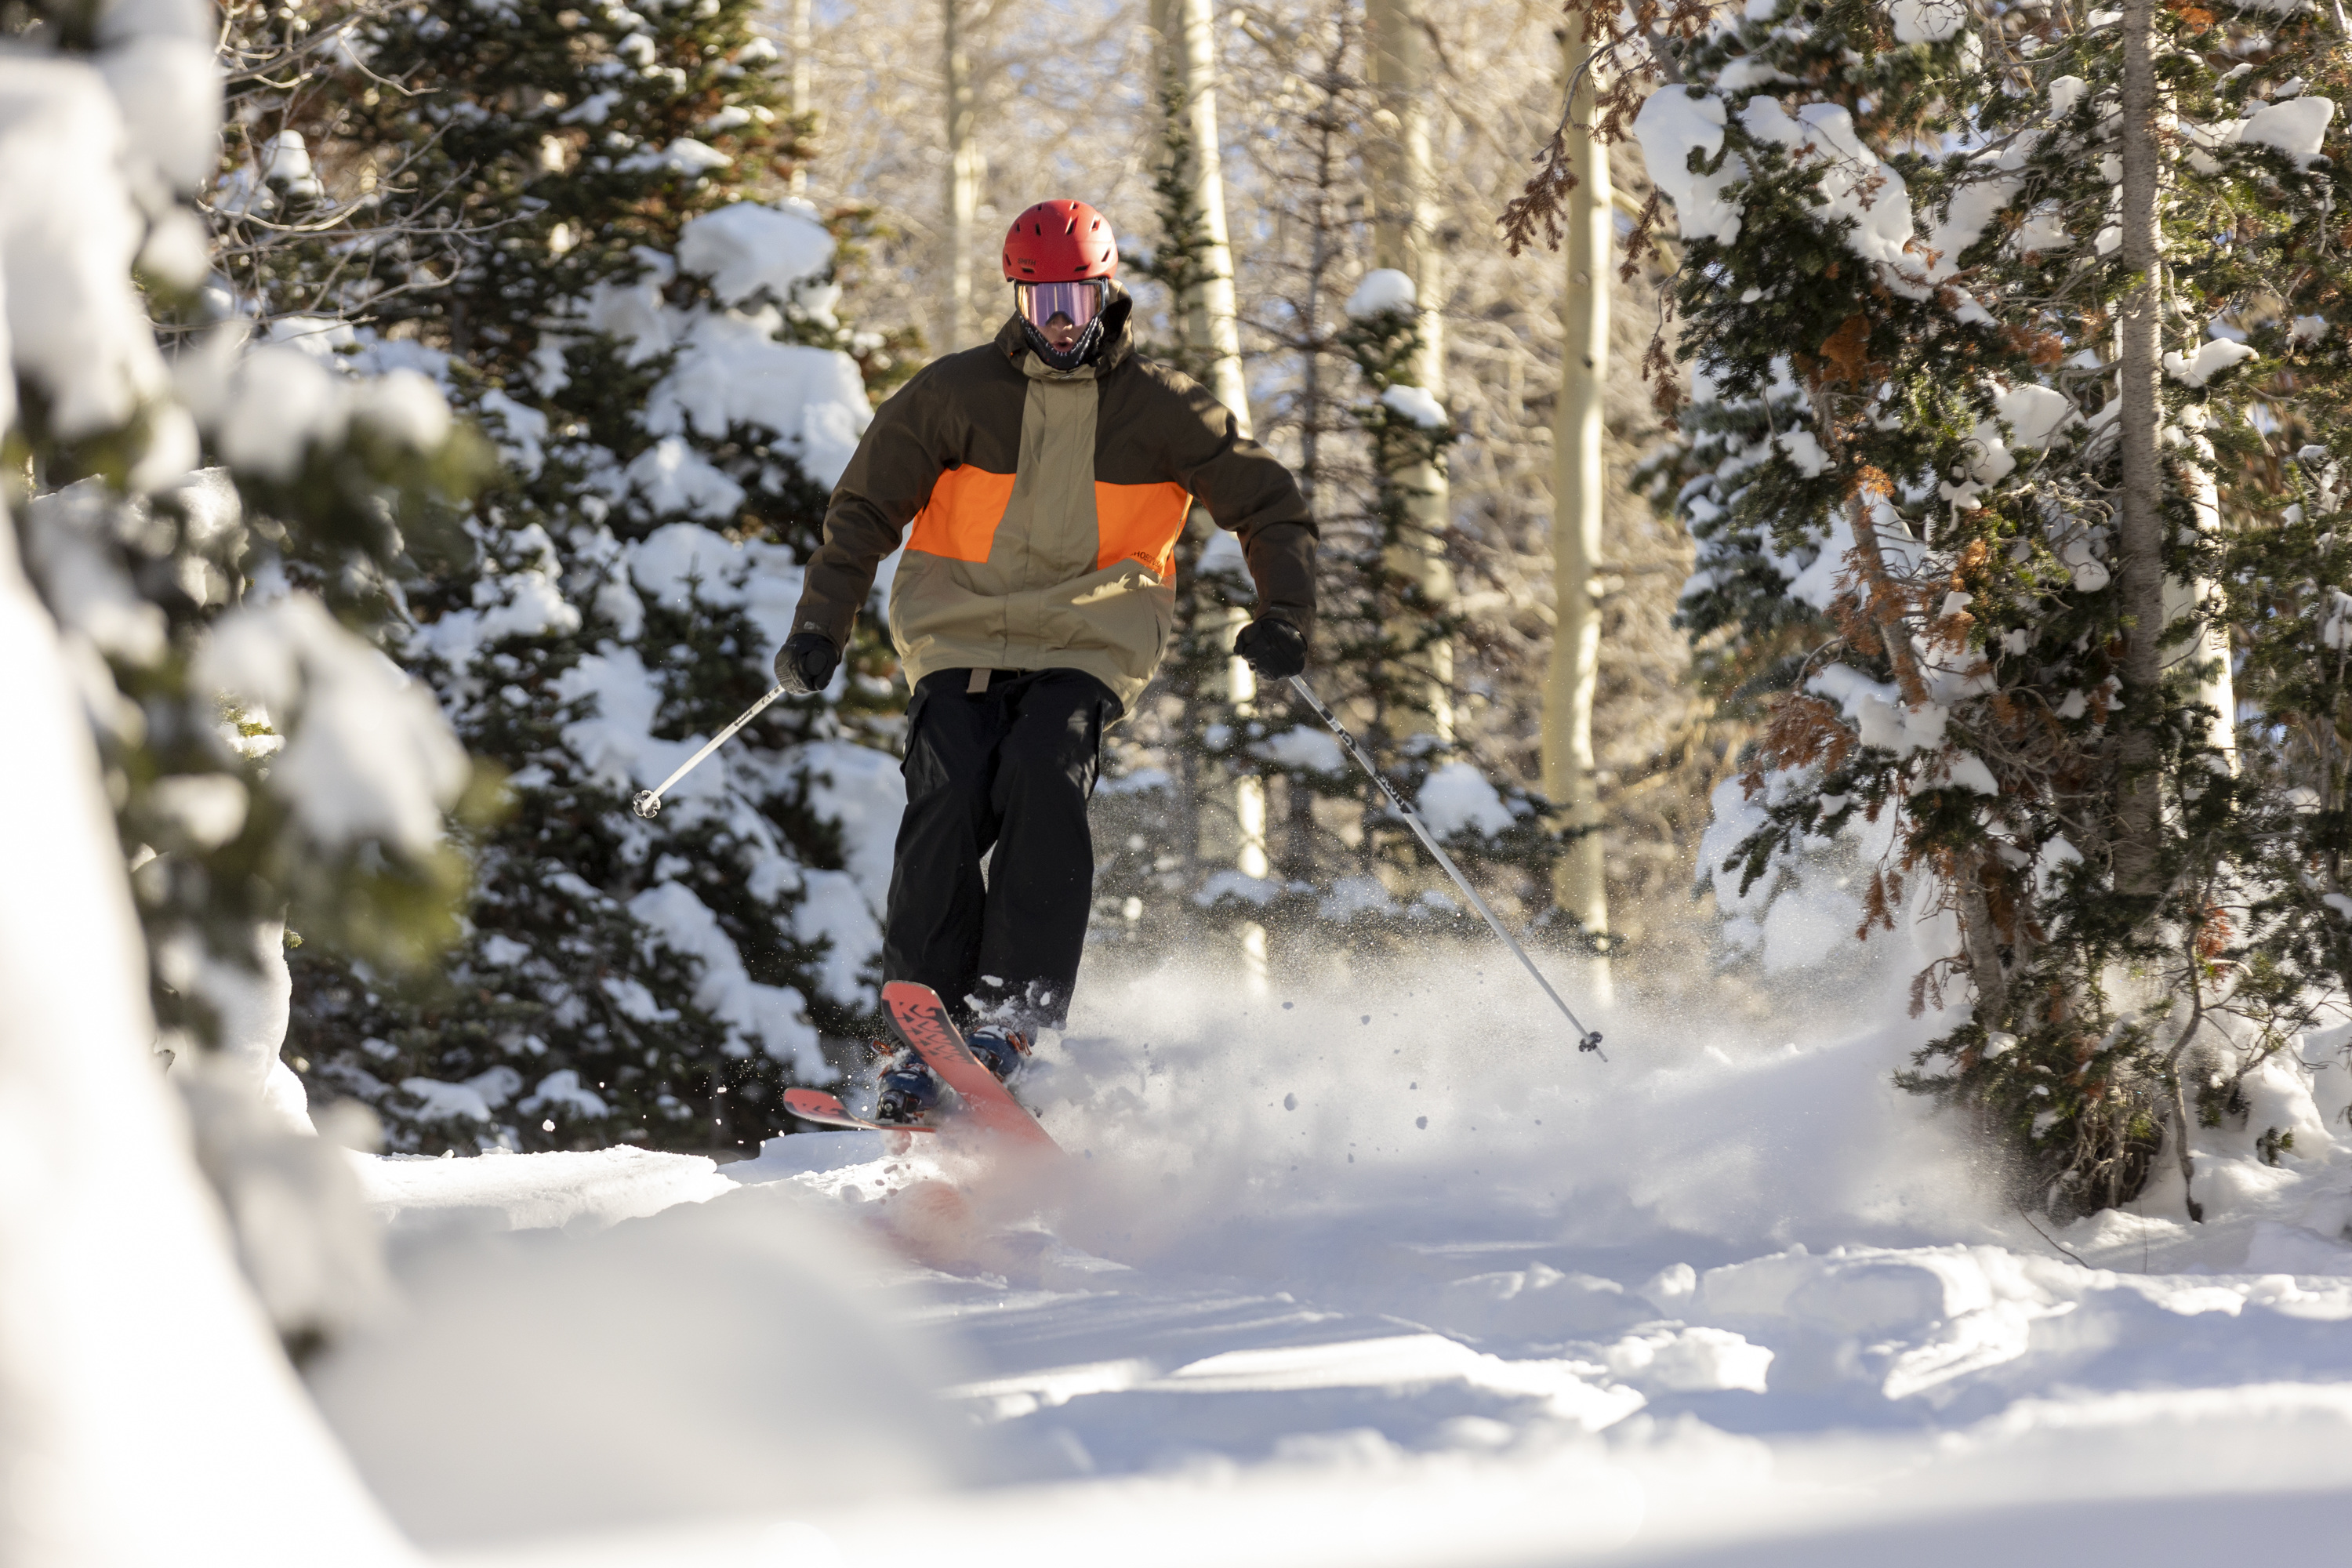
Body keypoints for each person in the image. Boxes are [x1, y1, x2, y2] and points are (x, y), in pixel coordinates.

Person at [775, 198, 1315, 1123]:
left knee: (1041, 765)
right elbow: (862, 508)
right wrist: (822, 625)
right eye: (1041, 303)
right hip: (960, 629)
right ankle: (920, 1029)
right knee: (946, 785)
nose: (1060, 322)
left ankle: (1010, 1011)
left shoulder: (1164, 410)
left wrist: (1284, 614)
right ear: (1017, 302)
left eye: (1076, 299)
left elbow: (1269, 503)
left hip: (1091, 635)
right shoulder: (953, 395)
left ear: (1107, 294)